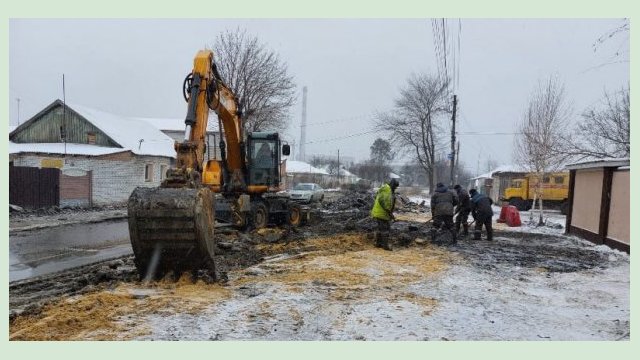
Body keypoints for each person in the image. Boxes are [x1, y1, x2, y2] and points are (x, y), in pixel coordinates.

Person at [370, 178, 399, 251]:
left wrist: (390, 213)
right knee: (385, 229)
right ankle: (385, 246)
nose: (395, 188)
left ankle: (378, 243)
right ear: (392, 185)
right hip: (382, 213)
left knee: (381, 229)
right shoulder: (387, 190)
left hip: (380, 213)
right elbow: (384, 202)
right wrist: (389, 212)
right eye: (395, 186)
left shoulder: (387, 189)